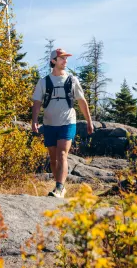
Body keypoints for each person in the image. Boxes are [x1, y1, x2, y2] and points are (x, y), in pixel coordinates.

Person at [31, 47, 94, 198]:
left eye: (66, 58)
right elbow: (37, 102)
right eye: (62, 58)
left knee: (62, 154)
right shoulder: (44, 82)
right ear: (54, 61)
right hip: (49, 124)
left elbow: (81, 101)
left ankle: (59, 187)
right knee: (53, 159)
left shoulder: (72, 80)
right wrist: (34, 121)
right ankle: (60, 186)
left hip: (68, 122)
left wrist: (89, 121)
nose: (65, 61)